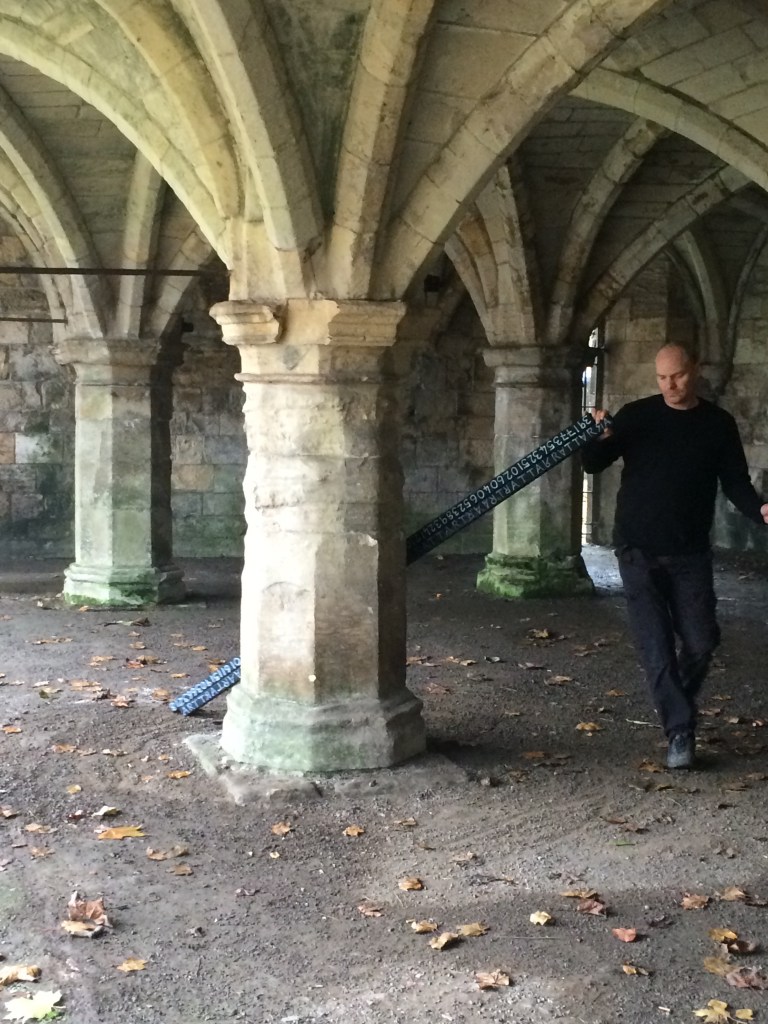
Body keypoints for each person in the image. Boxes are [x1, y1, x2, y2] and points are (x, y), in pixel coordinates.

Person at [582, 344, 768, 769]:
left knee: (702, 641)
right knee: (657, 647)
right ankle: (680, 733)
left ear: (695, 371)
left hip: (689, 553)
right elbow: (594, 464)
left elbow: (735, 481)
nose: (670, 385)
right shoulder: (637, 415)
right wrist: (597, 436)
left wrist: (759, 509)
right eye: (662, 377)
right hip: (636, 550)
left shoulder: (719, 425)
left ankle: (672, 700)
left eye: (678, 376)